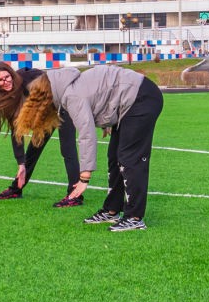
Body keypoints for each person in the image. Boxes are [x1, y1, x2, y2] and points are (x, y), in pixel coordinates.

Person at [13, 64, 162, 232]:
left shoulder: (72, 96)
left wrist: (84, 178)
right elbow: (102, 93)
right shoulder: (69, 88)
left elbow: (86, 134)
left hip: (142, 98)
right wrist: (107, 121)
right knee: (115, 157)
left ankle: (134, 217)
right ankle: (112, 210)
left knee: (130, 158)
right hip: (130, 102)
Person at [0, 61, 84, 205]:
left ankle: (75, 196)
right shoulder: (9, 98)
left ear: (12, 74)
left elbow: (53, 85)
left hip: (63, 103)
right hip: (45, 114)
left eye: (7, 77)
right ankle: (16, 189)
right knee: (33, 149)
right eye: (1, 80)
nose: (6, 81)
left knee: (67, 148)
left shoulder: (28, 76)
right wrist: (20, 163)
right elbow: (16, 130)